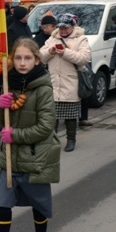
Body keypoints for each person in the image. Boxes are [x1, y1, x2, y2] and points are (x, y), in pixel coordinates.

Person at [0, 38, 60, 232]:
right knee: (4, 203)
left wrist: (15, 135)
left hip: (37, 156)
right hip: (10, 157)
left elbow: (46, 126)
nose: (22, 63)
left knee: (39, 203)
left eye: (27, 58)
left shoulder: (43, 88)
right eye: (18, 58)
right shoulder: (8, 84)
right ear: (11, 60)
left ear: (36, 60)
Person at [40, 13, 91, 152]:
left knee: (70, 116)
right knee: (52, 116)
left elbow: (84, 58)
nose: (62, 31)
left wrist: (65, 53)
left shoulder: (81, 39)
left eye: (66, 28)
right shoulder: (52, 38)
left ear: (73, 27)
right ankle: (52, 142)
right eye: (61, 28)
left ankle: (71, 140)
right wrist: (50, 51)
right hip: (53, 82)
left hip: (71, 82)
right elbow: (40, 57)